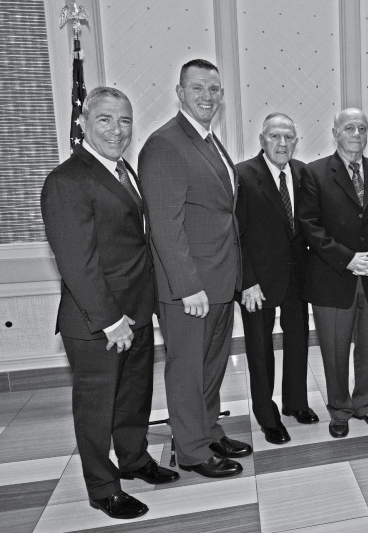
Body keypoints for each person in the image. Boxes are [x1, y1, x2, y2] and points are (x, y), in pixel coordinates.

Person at [41, 87, 179, 520]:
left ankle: (135, 460)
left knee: (134, 399)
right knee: (97, 409)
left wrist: (145, 309)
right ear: (82, 123)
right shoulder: (67, 180)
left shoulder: (124, 171)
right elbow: (77, 264)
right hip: (98, 322)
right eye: (105, 119)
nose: (117, 130)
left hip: (135, 313)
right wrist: (110, 320)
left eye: (124, 120)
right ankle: (103, 488)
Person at [139, 59, 248, 478]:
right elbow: (165, 225)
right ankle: (191, 450)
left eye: (214, 89)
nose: (207, 96)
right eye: (198, 88)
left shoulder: (209, 141)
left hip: (218, 281)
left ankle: (207, 430)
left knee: (212, 367)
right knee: (187, 370)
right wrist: (188, 286)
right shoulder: (165, 144)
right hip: (190, 289)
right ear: (180, 93)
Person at [298, 108, 368, 439]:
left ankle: (365, 405)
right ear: (335, 133)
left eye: (362, 127)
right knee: (334, 349)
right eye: (349, 128)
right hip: (333, 278)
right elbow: (309, 225)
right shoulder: (314, 173)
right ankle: (340, 409)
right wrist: (347, 259)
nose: (356, 133)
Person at [234, 113, 319, 446]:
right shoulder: (242, 175)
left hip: (297, 277)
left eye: (288, 137)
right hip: (258, 282)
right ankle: (266, 416)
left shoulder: (303, 172)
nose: (282, 143)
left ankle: (295, 403)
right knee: (260, 350)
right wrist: (246, 280)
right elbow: (235, 236)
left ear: (296, 141)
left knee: (298, 342)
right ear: (262, 139)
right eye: (275, 137)